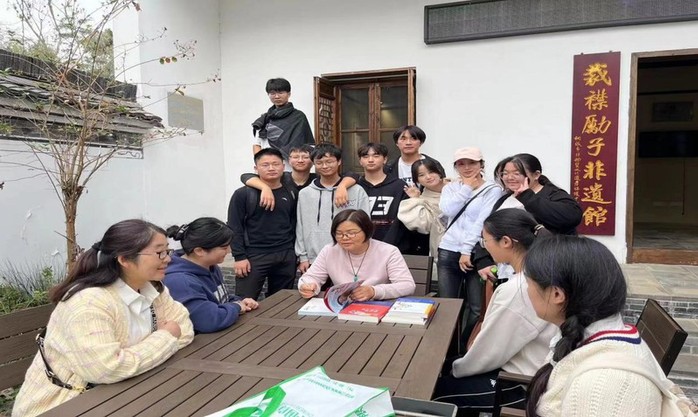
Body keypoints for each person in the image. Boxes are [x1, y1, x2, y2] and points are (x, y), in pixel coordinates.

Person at [12, 220, 194, 417]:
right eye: (159, 253)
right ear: (124, 259)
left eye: (167, 251)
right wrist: (166, 336)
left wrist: (132, 358)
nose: (168, 259)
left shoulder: (152, 288)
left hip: (129, 393)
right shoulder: (88, 303)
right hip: (67, 405)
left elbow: (184, 328)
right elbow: (106, 369)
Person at [524, 235, 694, 417]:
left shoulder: (607, 383)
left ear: (556, 294)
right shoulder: (581, 336)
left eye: (528, 283)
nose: (527, 290)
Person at [432, 209, 557, 416]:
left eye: (485, 241)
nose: (484, 246)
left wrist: (455, 369)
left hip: (522, 382)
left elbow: (488, 352)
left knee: (433, 393)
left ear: (506, 242)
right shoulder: (543, 275)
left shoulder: (518, 288)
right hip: (536, 371)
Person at [438, 147, 503, 345]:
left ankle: (465, 347)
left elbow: (482, 222)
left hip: (475, 253)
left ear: (481, 164)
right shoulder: (450, 188)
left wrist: (466, 250)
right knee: (447, 305)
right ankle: (447, 349)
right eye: (461, 163)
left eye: (472, 163)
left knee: (476, 308)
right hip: (448, 250)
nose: (467, 167)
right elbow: (448, 210)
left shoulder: (492, 189)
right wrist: (466, 188)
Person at [163, 217, 259, 333]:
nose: (229, 251)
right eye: (224, 248)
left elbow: (220, 300)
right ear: (199, 251)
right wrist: (237, 307)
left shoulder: (210, 265)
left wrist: (241, 301)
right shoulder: (180, 281)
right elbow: (208, 321)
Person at [298, 209, 415, 300]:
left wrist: (374, 291)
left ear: (367, 231)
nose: (344, 238)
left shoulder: (388, 251)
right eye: (339, 233)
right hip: (342, 306)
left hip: (378, 306)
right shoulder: (330, 250)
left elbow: (407, 285)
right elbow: (311, 277)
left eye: (351, 233)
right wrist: (308, 286)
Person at [227, 148, 297, 299]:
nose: (271, 168)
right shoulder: (243, 194)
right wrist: (239, 257)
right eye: (265, 165)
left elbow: (293, 222)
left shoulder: (291, 192)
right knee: (245, 300)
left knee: (281, 301)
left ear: (283, 166)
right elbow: (234, 226)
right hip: (253, 255)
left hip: (285, 254)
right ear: (256, 168)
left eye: (275, 164)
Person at [295, 143, 371, 273]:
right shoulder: (305, 193)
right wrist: (303, 257)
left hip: (350, 257)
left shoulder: (357, 191)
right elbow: (300, 226)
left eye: (329, 162)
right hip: (315, 259)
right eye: (319, 163)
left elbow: (365, 224)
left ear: (339, 161)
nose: (325, 166)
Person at [241, 144, 358, 210]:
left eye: (305, 157)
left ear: (313, 161)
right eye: (296, 157)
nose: (300, 160)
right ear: (289, 160)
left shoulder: (317, 180)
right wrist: (265, 187)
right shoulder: (280, 178)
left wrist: (342, 186)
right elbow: (246, 176)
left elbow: (353, 175)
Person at [492, 153, 582, 235]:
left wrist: (527, 196)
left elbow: (572, 217)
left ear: (536, 175)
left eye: (516, 173)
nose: (510, 177)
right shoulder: (504, 199)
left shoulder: (553, 195)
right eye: (505, 173)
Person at [251, 77, 314, 170]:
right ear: (268, 94)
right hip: (267, 166)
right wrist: (261, 163)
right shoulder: (264, 119)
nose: (277, 96)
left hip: (290, 166)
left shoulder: (298, 117)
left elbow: (308, 144)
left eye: (281, 93)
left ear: (289, 94)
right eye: (272, 93)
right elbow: (257, 144)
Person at [397, 158, 448, 259]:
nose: (428, 177)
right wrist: (415, 199)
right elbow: (423, 226)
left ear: (439, 172)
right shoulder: (423, 200)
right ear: (416, 180)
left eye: (431, 172)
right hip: (444, 250)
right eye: (421, 175)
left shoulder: (459, 186)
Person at [356, 142, 408, 241]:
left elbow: (403, 220)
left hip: (393, 243)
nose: (370, 160)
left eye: (376, 156)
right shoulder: (356, 187)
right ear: (360, 161)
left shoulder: (399, 186)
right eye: (366, 156)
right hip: (360, 242)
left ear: (385, 159)